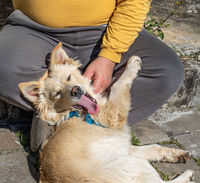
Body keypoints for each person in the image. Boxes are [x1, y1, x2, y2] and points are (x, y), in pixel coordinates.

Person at [0, 0, 184, 151]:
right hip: (35, 31)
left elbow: (134, 2)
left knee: (167, 72)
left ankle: (83, 121)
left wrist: (109, 56)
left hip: (105, 29)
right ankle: (57, 109)